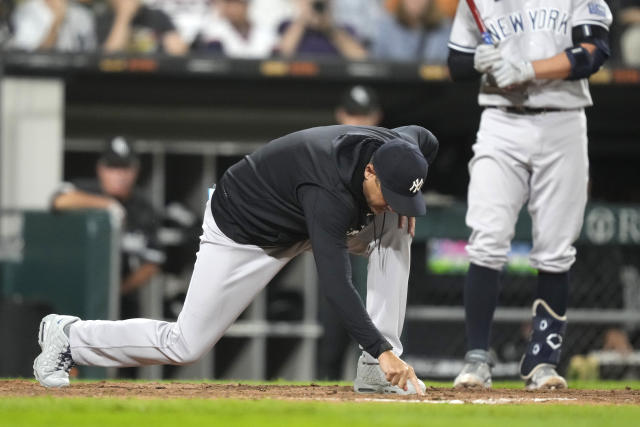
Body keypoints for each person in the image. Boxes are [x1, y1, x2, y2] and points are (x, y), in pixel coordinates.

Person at [34, 125, 439, 395]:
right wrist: (379, 344)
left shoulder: (400, 147)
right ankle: (69, 337)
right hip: (245, 230)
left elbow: (426, 139)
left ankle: (374, 369)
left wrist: (400, 198)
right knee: (186, 344)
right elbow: (336, 284)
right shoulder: (327, 190)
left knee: (397, 228)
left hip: (301, 218)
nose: (395, 202)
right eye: (390, 192)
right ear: (370, 170)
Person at [447, 0, 612, 389]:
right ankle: (476, 359)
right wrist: (478, 62)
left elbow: (594, 52)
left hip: (563, 122)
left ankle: (542, 362)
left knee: (556, 249)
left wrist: (528, 69)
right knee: (487, 239)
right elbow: (456, 63)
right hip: (501, 121)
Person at [51, 136, 165, 321]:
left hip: (122, 301)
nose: (119, 175)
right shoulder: (86, 190)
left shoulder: (143, 208)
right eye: (113, 168)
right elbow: (58, 201)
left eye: (125, 168)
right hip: (77, 295)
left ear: (135, 170)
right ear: (101, 169)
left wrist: (117, 290)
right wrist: (106, 204)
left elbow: (153, 261)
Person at [317, 86, 384, 381]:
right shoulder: (324, 149)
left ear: (377, 117)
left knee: (379, 338)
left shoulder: (387, 152)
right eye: (353, 114)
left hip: (374, 254)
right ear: (340, 114)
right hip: (338, 246)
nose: (358, 122)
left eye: (365, 115)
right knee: (331, 344)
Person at [276, 0, 367, 60]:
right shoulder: (288, 26)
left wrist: (329, 28)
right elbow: (281, 55)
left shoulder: (344, 30)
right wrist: (303, 19)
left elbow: (360, 58)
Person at [371, 0, 452, 64]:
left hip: (434, 84)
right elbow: (377, 66)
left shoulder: (443, 29)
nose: (415, 1)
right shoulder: (387, 27)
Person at [97, 0, 188, 55]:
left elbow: (180, 52)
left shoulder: (157, 16)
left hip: (156, 77)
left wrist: (174, 47)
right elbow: (108, 57)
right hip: (119, 80)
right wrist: (124, 16)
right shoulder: (104, 18)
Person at [197, 0, 278, 58]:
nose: (233, 9)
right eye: (229, 4)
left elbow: (277, 58)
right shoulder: (215, 30)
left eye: (237, 4)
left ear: (246, 6)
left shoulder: (265, 31)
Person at [9, 0, 96, 52]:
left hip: (75, 77)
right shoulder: (27, 12)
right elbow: (33, 58)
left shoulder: (81, 14)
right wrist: (57, 22)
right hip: (43, 78)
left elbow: (90, 56)